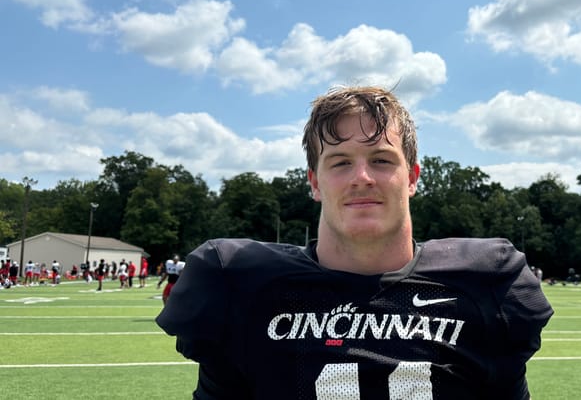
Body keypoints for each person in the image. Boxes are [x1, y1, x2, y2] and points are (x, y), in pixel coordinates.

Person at [156, 86, 554, 399]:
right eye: (340, 161)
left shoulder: (482, 285)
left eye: (381, 159)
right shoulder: (242, 286)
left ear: (412, 177)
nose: (361, 176)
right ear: (314, 182)